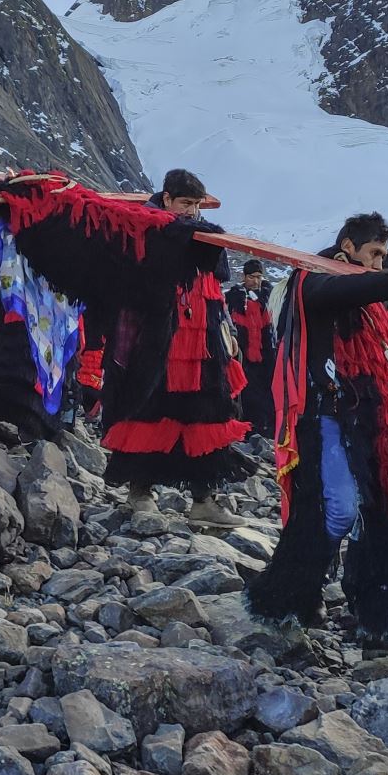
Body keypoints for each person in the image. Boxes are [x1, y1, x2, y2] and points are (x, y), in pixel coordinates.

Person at [247, 213, 388, 645]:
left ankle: (381, 619)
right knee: (336, 510)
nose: (379, 263)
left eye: (385, 256)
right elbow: (338, 290)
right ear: (348, 247)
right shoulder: (308, 282)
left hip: (385, 420)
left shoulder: (380, 302)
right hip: (330, 415)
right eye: (374, 253)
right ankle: (286, 596)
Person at [101, 168, 248, 527]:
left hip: (201, 335)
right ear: (166, 198)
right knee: (148, 407)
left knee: (207, 412)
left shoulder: (202, 232)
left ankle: (204, 498)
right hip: (157, 335)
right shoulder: (142, 226)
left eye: (197, 206)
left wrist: (223, 329)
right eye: (185, 204)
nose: (191, 212)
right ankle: (140, 490)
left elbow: (218, 277)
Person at [227, 259, 276, 446]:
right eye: (251, 277)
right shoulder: (234, 298)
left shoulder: (269, 297)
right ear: (244, 277)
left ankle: (267, 433)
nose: (255, 281)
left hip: (266, 356)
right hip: (243, 356)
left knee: (267, 395)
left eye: (258, 277)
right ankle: (247, 432)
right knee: (245, 395)